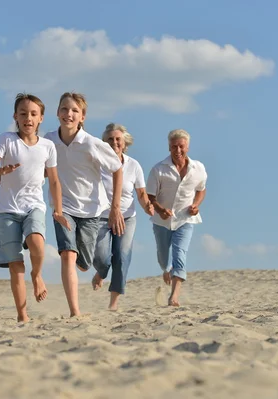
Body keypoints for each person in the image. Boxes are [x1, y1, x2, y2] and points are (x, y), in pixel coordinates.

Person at [0, 93, 70, 323]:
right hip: (8, 209)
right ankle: (22, 315)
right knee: (15, 264)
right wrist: (2, 171)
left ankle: (37, 274)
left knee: (37, 242)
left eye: (33, 114)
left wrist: (58, 210)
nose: (28, 118)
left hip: (34, 205)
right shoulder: (6, 140)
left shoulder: (48, 146)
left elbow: (54, 181)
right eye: (23, 114)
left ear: (40, 118)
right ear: (15, 117)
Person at [44, 92, 125, 317]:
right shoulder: (48, 140)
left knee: (84, 262)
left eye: (74, 111)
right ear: (57, 112)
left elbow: (117, 168)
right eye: (64, 109)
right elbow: (39, 166)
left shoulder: (92, 144)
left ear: (83, 117)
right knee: (67, 255)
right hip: (63, 208)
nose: (68, 114)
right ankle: (74, 311)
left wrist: (115, 207)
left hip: (91, 211)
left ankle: (85, 264)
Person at [92, 123, 154, 310]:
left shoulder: (133, 165)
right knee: (101, 257)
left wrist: (148, 207)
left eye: (118, 139)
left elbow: (141, 194)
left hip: (126, 217)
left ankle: (113, 303)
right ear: (104, 143)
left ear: (125, 142)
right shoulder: (96, 163)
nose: (114, 142)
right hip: (101, 216)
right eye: (110, 139)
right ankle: (101, 272)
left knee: (122, 257)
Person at [146, 128, 207, 306]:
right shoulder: (159, 169)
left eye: (181, 146)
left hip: (185, 219)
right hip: (162, 221)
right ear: (169, 147)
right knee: (163, 256)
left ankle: (174, 296)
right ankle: (166, 269)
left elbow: (201, 189)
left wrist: (196, 205)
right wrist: (159, 208)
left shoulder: (198, 168)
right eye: (174, 147)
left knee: (180, 253)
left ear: (187, 146)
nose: (178, 150)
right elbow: (150, 195)